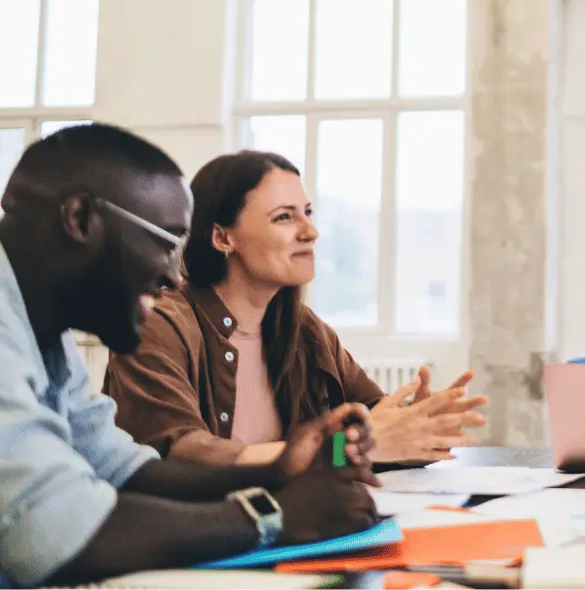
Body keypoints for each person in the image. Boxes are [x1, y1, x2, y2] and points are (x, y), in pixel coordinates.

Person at [0, 124, 381, 588]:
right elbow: (51, 528)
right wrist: (274, 515)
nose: (173, 277)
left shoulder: (42, 333)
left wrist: (279, 471)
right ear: (80, 219)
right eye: (165, 242)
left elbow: (125, 470)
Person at [105, 150, 486, 467]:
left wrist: (417, 428)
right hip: (202, 540)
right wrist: (363, 444)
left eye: (308, 212)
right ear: (223, 237)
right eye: (285, 217)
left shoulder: (307, 331)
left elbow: (370, 432)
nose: (310, 231)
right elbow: (181, 456)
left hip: (294, 530)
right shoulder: (158, 327)